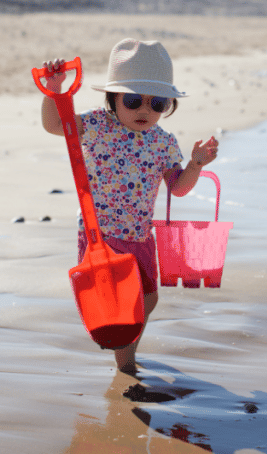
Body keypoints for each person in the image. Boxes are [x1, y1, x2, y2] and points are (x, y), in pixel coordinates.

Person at [40, 38, 219, 374]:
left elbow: (178, 188)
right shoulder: (96, 125)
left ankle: (125, 352)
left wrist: (195, 164)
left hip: (140, 235)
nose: (144, 111)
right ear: (113, 99)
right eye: (134, 100)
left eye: (157, 103)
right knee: (122, 302)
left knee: (148, 299)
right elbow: (54, 125)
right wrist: (54, 93)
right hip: (100, 235)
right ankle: (126, 364)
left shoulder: (163, 142)